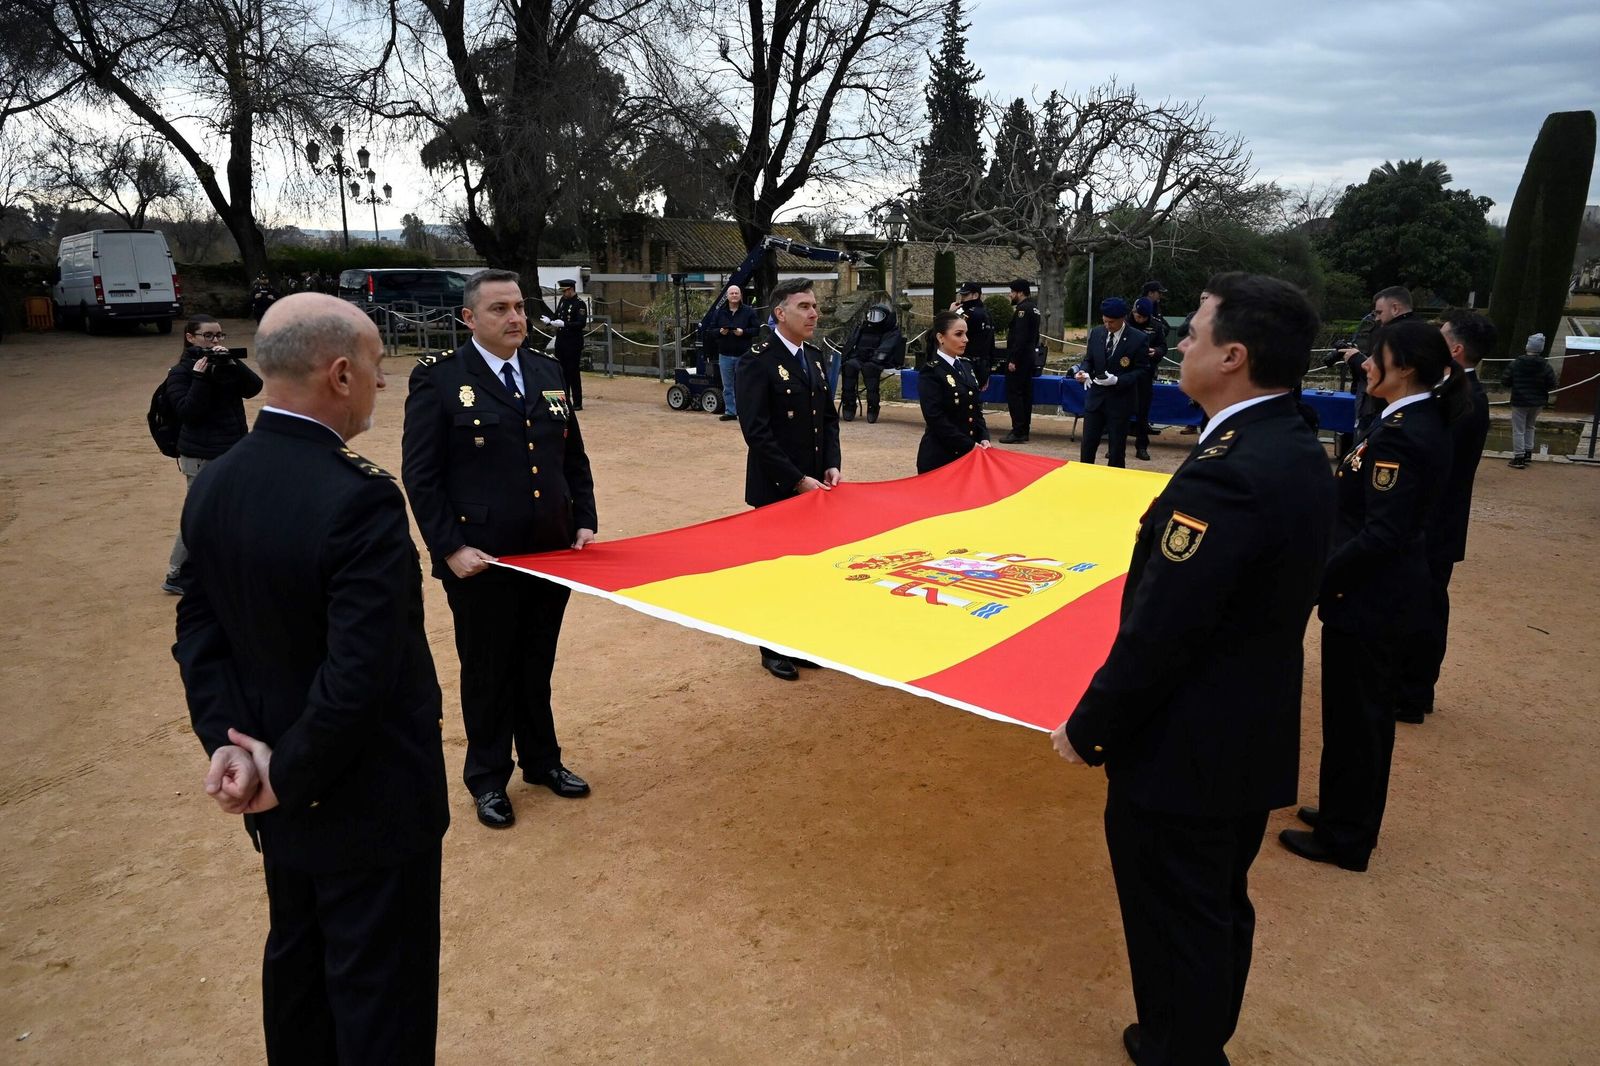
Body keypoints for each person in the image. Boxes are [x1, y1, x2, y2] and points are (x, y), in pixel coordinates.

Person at [1050, 273, 1335, 1066]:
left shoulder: (1230, 471)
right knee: (1211, 905)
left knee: (1177, 910)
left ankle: (1184, 1049)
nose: (1179, 343)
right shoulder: (1293, 444)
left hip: (1187, 748)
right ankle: (1184, 1037)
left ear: (1233, 356)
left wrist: (1090, 727)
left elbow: (1163, 632)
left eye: (1194, 332)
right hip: (1245, 731)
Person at [172, 293, 450, 1065]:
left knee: (299, 973)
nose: (380, 385)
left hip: (274, 787)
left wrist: (230, 748)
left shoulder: (217, 481)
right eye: (374, 369)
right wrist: (285, 775)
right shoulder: (358, 498)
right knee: (379, 999)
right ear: (338, 374)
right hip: (364, 801)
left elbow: (199, 632)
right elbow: (362, 674)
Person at [401, 268, 596, 830]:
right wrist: (450, 548)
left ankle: (542, 762)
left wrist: (582, 519)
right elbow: (422, 475)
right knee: (487, 671)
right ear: (469, 319)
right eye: (499, 309)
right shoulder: (439, 379)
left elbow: (570, 457)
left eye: (518, 307)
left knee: (536, 663)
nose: (515, 318)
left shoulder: (546, 369)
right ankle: (488, 778)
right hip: (481, 559)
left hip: (549, 552)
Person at [1281, 318, 1468, 873]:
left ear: (1403, 367)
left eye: (1374, 356)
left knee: (1359, 719)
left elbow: (1383, 533)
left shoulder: (1406, 433)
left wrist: (1319, 581)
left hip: (1371, 599)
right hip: (1369, 595)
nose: (1364, 364)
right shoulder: (1405, 420)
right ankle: (1343, 810)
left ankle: (1348, 836)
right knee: (1349, 716)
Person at [735, 278, 842, 681]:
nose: (813, 313)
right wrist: (796, 480)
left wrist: (831, 462)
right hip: (778, 487)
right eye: (804, 306)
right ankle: (772, 647)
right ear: (780, 313)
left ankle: (797, 641)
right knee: (775, 572)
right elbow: (756, 431)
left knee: (806, 568)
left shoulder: (814, 357)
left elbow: (827, 419)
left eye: (815, 306)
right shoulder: (758, 360)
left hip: (815, 485)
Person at [1394, 311, 1493, 722]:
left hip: (1433, 525)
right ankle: (1411, 686)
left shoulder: (1461, 398)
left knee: (1425, 608)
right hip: (1435, 523)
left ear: (1455, 349)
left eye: (1441, 337)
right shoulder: (1458, 392)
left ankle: (1414, 692)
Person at [161, 315, 262, 594]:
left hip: (234, 450)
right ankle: (176, 572)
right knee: (199, 515)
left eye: (219, 336)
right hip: (201, 456)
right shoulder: (180, 373)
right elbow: (188, 412)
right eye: (209, 336)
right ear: (190, 337)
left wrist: (232, 363)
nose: (215, 341)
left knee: (237, 511)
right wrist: (200, 377)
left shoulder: (225, 365)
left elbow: (254, 388)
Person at [1072, 297, 1149, 468]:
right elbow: (1089, 359)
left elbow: (1142, 370)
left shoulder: (1138, 338)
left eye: (1112, 322)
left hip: (1120, 400)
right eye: (1105, 321)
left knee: (1116, 448)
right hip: (1096, 399)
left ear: (1123, 318)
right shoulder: (1097, 333)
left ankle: (1114, 482)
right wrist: (1083, 371)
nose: (1108, 325)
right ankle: (1084, 475)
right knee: (1088, 444)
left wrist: (1118, 380)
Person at [916, 309, 992, 473]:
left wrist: (984, 436)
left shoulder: (966, 365)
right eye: (958, 334)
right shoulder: (931, 371)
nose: (965, 339)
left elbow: (975, 408)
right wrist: (968, 444)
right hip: (941, 457)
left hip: (969, 456)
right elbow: (935, 417)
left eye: (965, 334)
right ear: (941, 337)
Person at [838, 303, 907, 423]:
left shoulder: (891, 330)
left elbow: (887, 347)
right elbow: (852, 342)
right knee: (849, 366)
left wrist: (876, 359)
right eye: (872, 315)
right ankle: (849, 404)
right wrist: (847, 356)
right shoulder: (864, 328)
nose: (874, 319)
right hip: (860, 357)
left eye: (878, 316)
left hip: (880, 360)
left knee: (870, 370)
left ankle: (873, 407)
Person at [1502, 332, 1557, 468]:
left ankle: (1519, 457)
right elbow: (1552, 383)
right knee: (1530, 426)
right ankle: (1528, 453)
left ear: (1527, 346)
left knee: (1518, 429)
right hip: (1537, 401)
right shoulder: (1545, 365)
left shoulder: (1517, 363)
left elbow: (1505, 380)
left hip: (1519, 400)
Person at [999, 279, 1041, 443]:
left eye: (1012, 292)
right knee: (1025, 395)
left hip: (1020, 358)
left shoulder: (1023, 310)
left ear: (1020, 292)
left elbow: (1021, 337)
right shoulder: (1035, 308)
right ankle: (1024, 429)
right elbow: (1034, 336)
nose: (1010, 295)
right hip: (1029, 356)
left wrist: (1014, 359)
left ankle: (1018, 430)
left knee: (1015, 394)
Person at [711, 283, 759, 422]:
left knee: (744, 384)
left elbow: (756, 329)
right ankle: (731, 412)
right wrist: (720, 331)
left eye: (736, 293)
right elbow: (711, 331)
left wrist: (743, 332)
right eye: (731, 293)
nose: (734, 295)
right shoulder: (719, 312)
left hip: (743, 354)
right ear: (727, 296)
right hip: (725, 354)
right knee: (728, 386)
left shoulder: (749, 311)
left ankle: (745, 412)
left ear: (740, 295)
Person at [541, 279, 589, 411]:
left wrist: (565, 324)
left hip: (573, 342)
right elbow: (557, 316)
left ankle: (577, 402)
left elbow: (581, 323)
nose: (564, 293)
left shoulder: (579, 304)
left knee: (573, 372)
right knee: (561, 372)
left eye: (565, 291)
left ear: (571, 289)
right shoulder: (563, 301)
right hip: (561, 341)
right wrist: (550, 321)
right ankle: (564, 400)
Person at [1129, 296, 1168, 459]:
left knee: (1143, 412)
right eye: (1138, 316)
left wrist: (1156, 352)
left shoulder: (1155, 326)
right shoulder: (1124, 323)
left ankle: (1142, 446)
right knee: (1120, 412)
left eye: (1144, 317)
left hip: (1145, 373)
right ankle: (1115, 445)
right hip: (1125, 373)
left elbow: (1163, 347)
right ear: (1133, 311)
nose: (1140, 320)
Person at [954, 281, 997, 389]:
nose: (962, 298)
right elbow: (991, 342)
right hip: (983, 363)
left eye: (965, 295)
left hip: (968, 363)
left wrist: (950, 314)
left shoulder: (969, 314)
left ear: (976, 295)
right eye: (961, 295)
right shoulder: (987, 313)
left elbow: (952, 333)